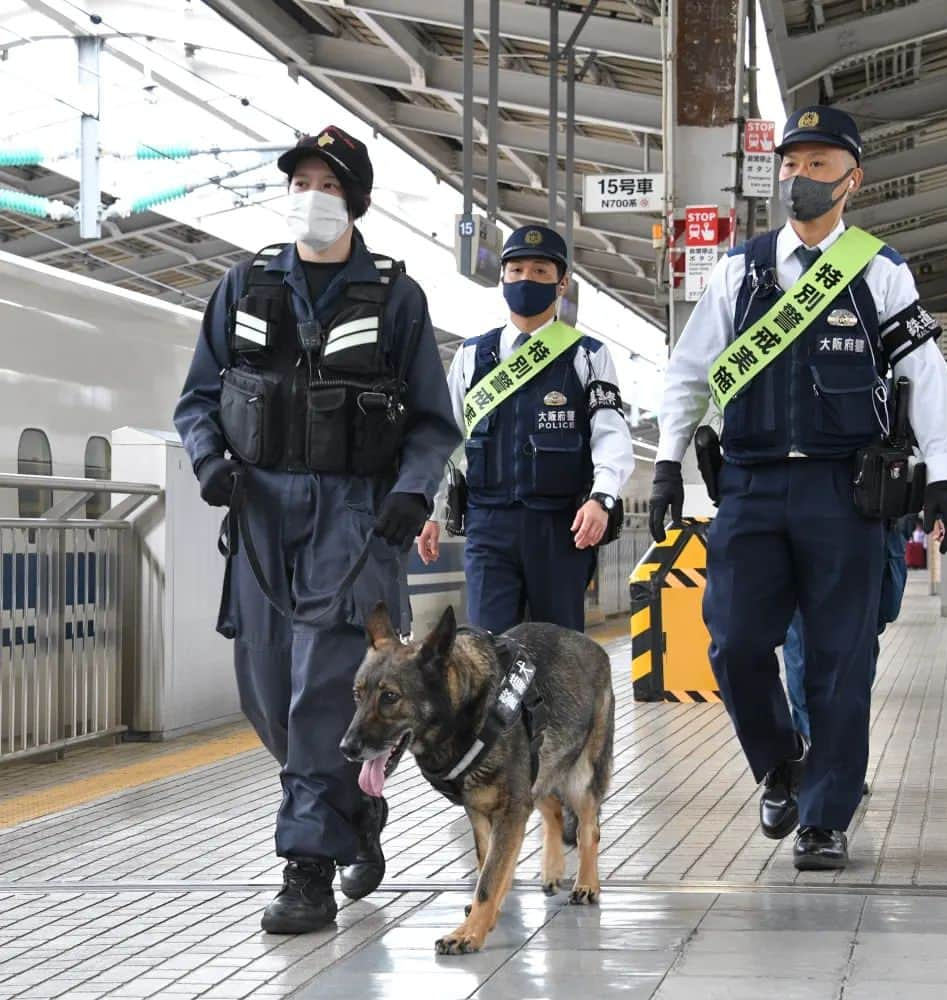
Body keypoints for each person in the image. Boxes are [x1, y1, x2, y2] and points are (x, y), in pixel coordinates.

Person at [648, 106, 947, 871]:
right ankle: (782, 760)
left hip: (845, 495)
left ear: (852, 180)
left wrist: (945, 476)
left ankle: (824, 817)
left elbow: (924, 376)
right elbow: (690, 372)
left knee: (839, 660)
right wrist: (665, 461)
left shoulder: (879, 272)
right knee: (733, 641)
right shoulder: (739, 272)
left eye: (819, 166)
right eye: (792, 164)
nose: (801, 178)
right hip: (751, 487)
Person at [173, 125, 461, 932]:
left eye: (329, 186)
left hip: (357, 520)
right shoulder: (245, 285)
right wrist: (209, 462)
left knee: (319, 697)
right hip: (262, 515)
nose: (312, 198)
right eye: (301, 181)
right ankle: (353, 808)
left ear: (356, 201)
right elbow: (198, 399)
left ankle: (306, 870)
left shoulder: (397, 299)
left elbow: (435, 423)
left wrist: (412, 492)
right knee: (266, 692)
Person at [415, 225, 634, 633]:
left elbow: (610, 433)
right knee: (486, 648)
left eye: (539, 271)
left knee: (559, 649)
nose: (525, 280)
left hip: (560, 526)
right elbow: (448, 439)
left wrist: (602, 498)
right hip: (487, 523)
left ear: (562, 283)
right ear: (502, 278)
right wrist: (430, 511)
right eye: (515, 270)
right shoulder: (471, 356)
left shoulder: (587, 356)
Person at [783, 522, 908, 745]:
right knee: (802, 649)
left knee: (860, 648)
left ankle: (840, 756)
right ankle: (813, 752)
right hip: (804, 533)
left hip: (874, 525)